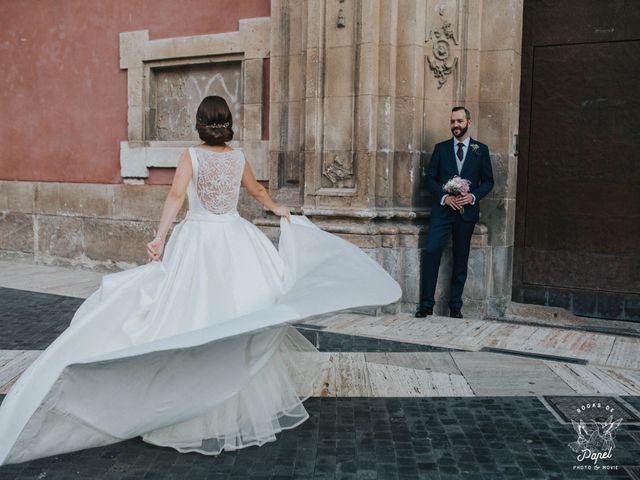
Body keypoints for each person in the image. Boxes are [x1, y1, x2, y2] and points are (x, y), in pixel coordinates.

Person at [0, 96, 401, 465]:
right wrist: (277, 207)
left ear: (199, 124)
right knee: (242, 315)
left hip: (197, 240)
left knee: (192, 316)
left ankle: (187, 398)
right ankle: (234, 397)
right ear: (228, 124)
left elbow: (175, 198)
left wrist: (160, 237)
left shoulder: (189, 156)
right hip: (235, 239)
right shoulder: (239, 156)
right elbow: (256, 189)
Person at [416, 107, 494, 319]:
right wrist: (444, 197)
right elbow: (430, 179)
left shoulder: (481, 150)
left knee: (461, 258)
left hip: (466, 213)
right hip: (443, 211)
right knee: (432, 252)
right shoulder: (441, 149)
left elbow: (488, 181)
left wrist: (473, 197)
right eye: (452, 121)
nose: (455, 125)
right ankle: (426, 305)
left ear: (469, 122)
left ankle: (455, 306)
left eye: (459, 121)